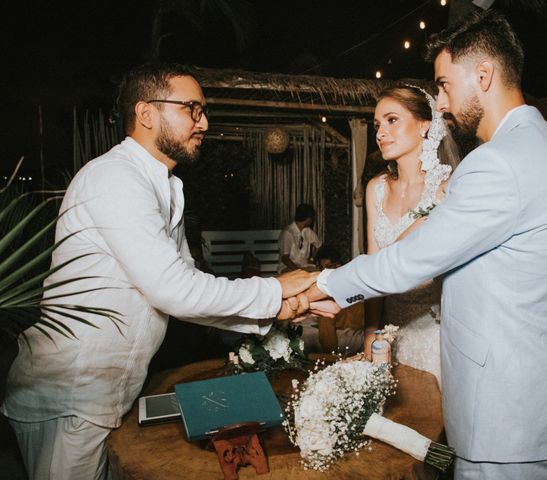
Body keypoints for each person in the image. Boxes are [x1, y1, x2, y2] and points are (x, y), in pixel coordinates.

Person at [306, 10, 547, 479]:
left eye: (445, 84)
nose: (441, 102)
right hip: (544, 400)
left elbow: (414, 258)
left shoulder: (499, 163)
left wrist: (324, 284)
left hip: (508, 419)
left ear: (483, 75)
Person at [1, 62, 317, 480]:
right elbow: (173, 290)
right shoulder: (115, 177)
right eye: (192, 108)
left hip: (109, 394)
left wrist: (272, 311)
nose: (204, 122)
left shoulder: (165, 185)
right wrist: (275, 288)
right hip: (71, 395)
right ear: (146, 113)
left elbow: (186, 287)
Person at [362, 85, 459, 384]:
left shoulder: (448, 186)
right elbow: (372, 267)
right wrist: (371, 332)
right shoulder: (375, 189)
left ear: (425, 124)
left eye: (392, 120)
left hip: (438, 333)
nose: (380, 133)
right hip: (389, 336)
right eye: (378, 125)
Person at [277, 203, 322, 273]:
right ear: (308, 218)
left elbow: (319, 245)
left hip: (304, 265)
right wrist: (298, 271)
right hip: (288, 267)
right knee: (300, 276)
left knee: (320, 272)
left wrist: (312, 259)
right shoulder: (288, 232)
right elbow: (285, 258)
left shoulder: (308, 231)